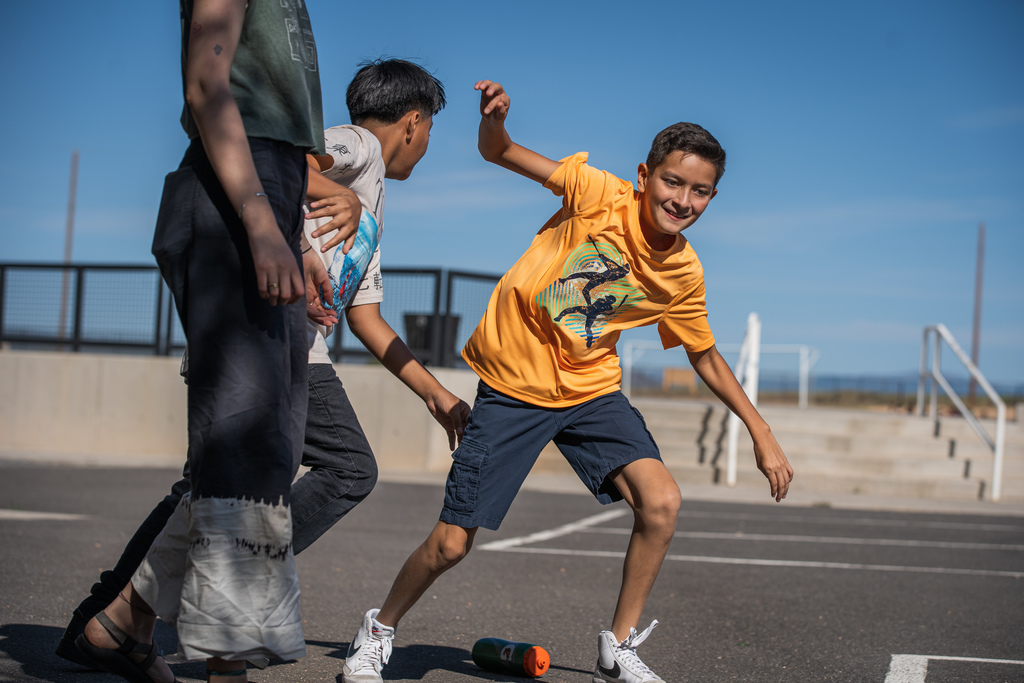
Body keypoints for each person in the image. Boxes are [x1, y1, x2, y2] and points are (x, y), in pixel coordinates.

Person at [340, 80, 795, 683]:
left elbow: (705, 356)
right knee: (451, 544)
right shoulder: (601, 195)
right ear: (645, 175)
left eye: (700, 191)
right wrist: (495, 122)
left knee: (661, 502)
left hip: (589, 392)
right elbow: (499, 153)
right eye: (673, 182)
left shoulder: (683, 272)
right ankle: (379, 630)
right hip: (512, 387)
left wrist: (759, 429)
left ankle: (619, 646)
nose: (683, 200)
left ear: (713, 197)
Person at [64, 55, 467, 683]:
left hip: (286, 346)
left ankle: (123, 619)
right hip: (267, 339)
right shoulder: (358, 147)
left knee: (216, 489)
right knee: (342, 469)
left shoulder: (373, 207)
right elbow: (282, 162)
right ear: (413, 124)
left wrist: (434, 394)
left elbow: (369, 320)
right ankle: (194, 598)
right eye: (430, 133)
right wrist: (331, 199)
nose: (425, 148)